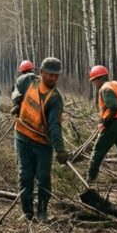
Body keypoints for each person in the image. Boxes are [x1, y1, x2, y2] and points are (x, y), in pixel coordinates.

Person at [11, 57, 68, 221]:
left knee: (43, 177)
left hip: (43, 143)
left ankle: (42, 212)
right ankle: (27, 214)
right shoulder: (28, 81)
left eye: (56, 76)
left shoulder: (55, 98)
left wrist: (60, 149)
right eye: (50, 75)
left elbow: (55, 126)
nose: (53, 78)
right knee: (25, 175)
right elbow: (16, 88)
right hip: (22, 136)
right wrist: (16, 101)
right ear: (41, 72)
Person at [87, 65, 117, 185]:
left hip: (114, 123)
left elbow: (113, 106)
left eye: (94, 80)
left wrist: (105, 122)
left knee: (97, 151)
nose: (94, 83)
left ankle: (90, 180)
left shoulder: (105, 88)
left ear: (98, 79)